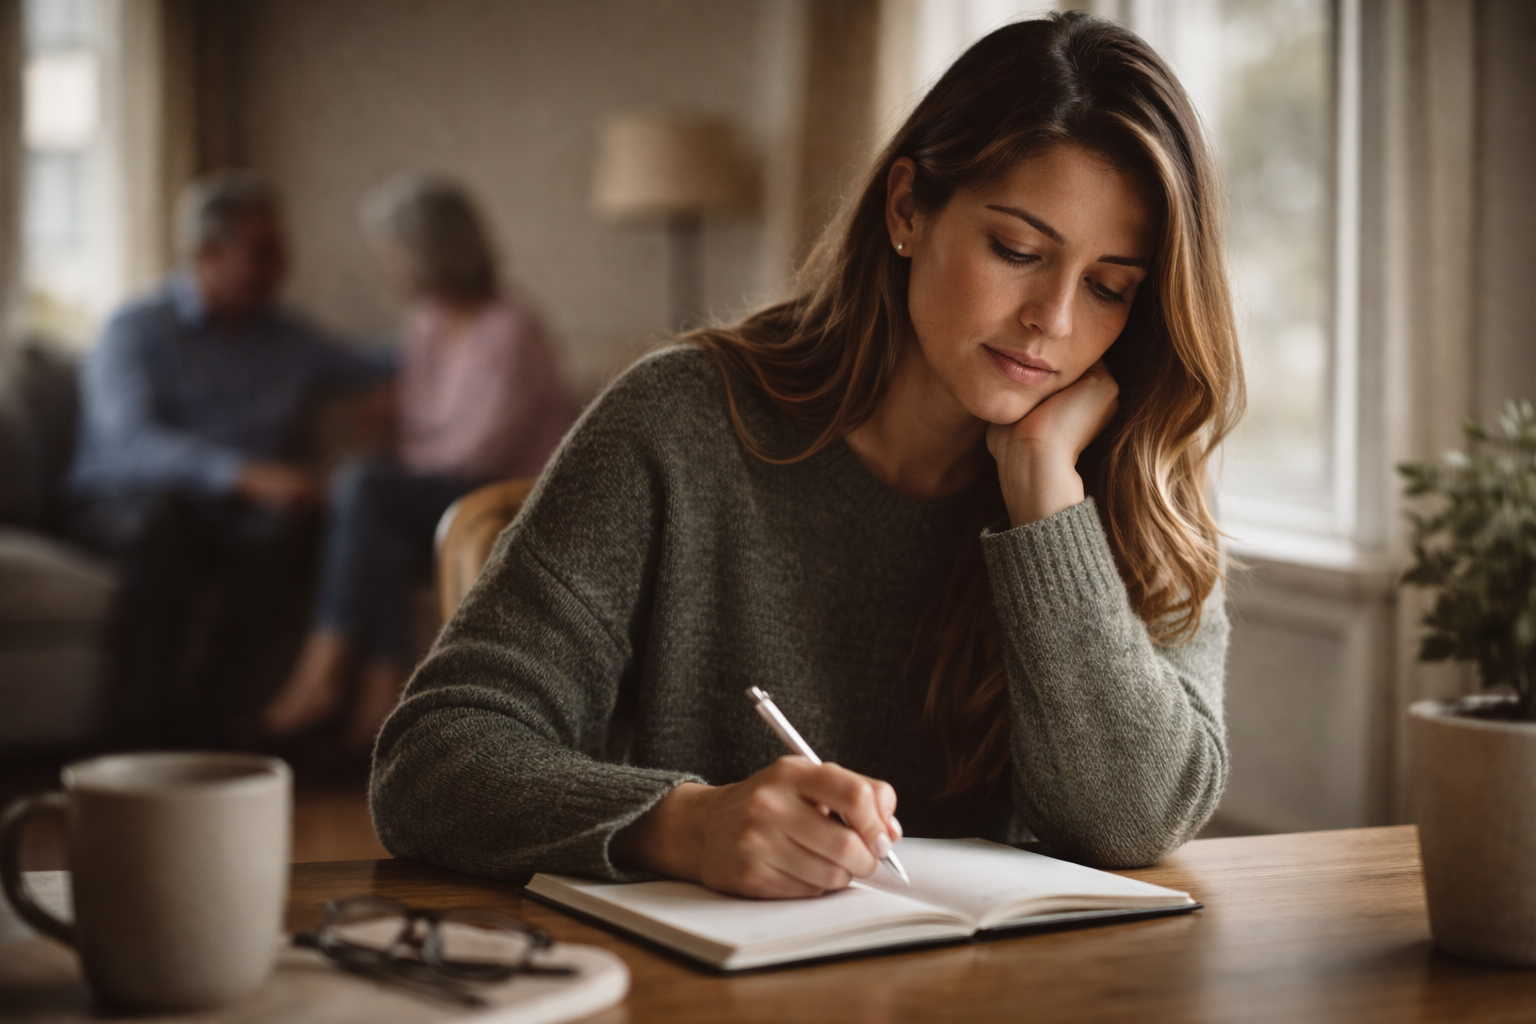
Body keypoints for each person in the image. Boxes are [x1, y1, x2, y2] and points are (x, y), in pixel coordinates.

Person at [371, 12, 1242, 898]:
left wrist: (1047, 503)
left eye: (1108, 288)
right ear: (907, 209)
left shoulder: (1134, 476)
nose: (1052, 320)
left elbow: (1134, 821)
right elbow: (431, 758)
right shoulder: (679, 423)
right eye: (1017, 250)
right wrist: (682, 825)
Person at [68, 172, 393, 748]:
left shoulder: (289, 338)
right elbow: (130, 441)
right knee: (163, 529)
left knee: (279, 534)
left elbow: (377, 361)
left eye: (281, 253)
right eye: (263, 253)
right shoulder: (136, 330)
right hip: (123, 500)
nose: (281, 269)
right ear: (208, 254)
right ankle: (139, 732)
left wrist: (432, 359)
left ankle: (214, 730)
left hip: (230, 514)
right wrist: (242, 476)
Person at [261, 176, 573, 754]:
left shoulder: (511, 327)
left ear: (429, 251)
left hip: (505, 494)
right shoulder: (426, 323)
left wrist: (397, 471)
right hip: (442, 488)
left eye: (393, 251)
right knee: (374, 523)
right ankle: (380, 704)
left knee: (365, 489)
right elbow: (419, 431)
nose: (386, 265)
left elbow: (480, 449)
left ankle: (324, 667)